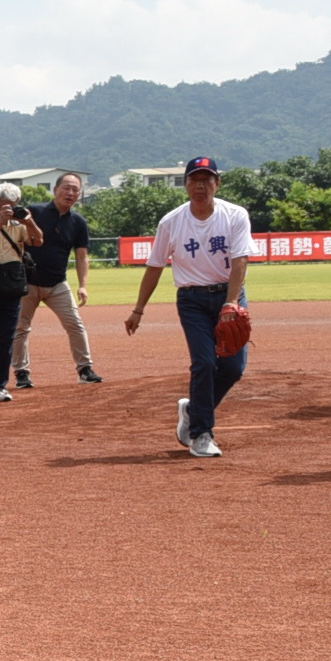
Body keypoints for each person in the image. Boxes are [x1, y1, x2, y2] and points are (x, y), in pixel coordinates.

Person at [124, 155, 254, 457]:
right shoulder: (171, 222)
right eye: (194, 179)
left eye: (207, 179)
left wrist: (231, 303)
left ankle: (193, 410)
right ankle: (201, 433)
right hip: (192, 299)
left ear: (217, 184)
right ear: (185, 185)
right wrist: (138, 309)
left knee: (234, 369)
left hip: (229, 294)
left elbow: (240, 261)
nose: (201, 185)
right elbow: (155, 266)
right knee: (205, 363)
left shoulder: (235, 215)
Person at [15, 171, 100, 386]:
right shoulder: (35, 211)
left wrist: (83, 286)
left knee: (75, 324)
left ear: (79, 194)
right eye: (66, 188)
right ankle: (21, 373)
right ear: (55, 190)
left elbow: (82, 256)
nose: (70, 193)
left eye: (75, 189)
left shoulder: (79, 222)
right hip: (28, 282)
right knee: (21, 328)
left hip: (57, 284)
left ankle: (85, 369)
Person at [0, 183, 33, 402]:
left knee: (5, 338)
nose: (8, 209)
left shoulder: (19, 224)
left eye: (12, 205)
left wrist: (28, 220)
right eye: (3, 205)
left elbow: (38, 240)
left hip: (12, 284)